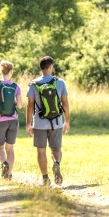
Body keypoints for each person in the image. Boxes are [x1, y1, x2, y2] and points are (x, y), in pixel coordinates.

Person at [26, 55, 70, 186]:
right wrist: (66, 121)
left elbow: (30, 106)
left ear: (41, 68)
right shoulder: (60, 82)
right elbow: (65, 104)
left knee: (41, 151)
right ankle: (56, 163)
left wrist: (28, 124)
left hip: (39, 123)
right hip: (56, 122)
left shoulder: (34, 84)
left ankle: (45, 178)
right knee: (56, 149)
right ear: (50, 67)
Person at [0, 60, 23, 180]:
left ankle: (4, 163)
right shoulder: (16, 86)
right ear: (11, 71)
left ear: (1, 71)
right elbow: (20, 105)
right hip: (13, 120)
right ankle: (9, 174)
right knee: (10, 149)